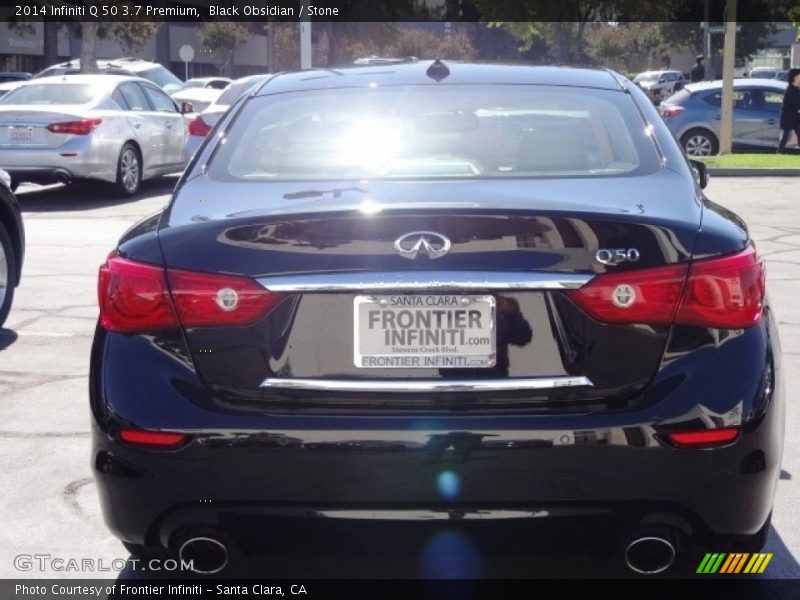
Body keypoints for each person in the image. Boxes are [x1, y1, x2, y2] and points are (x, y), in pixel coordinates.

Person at [778, 68, 800, 154]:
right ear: (795, 77)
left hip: (796, 118)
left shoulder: (796, 88)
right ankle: (779, 153)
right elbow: (796, 104)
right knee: (785, 137)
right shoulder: (790, 90)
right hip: (787, 118)